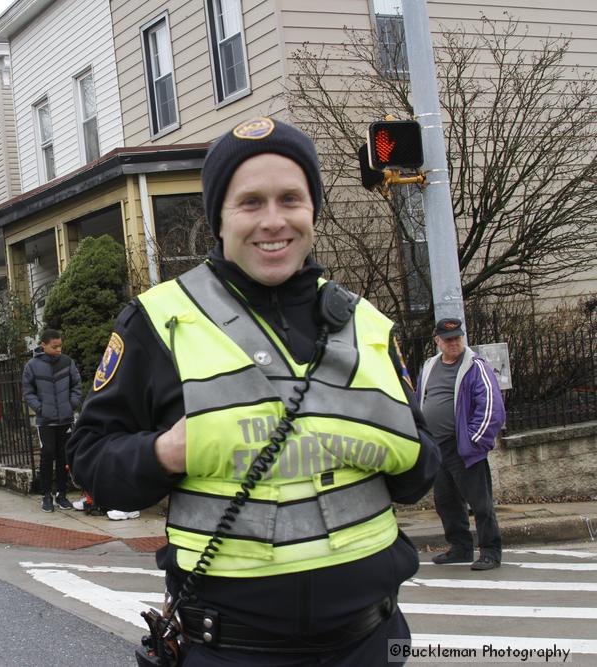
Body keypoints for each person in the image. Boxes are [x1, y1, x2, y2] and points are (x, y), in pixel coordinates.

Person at [67, 117, 441, 666]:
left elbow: (419, 474)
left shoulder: (367, 324)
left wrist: (394, 440)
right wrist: (164, 452)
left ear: (312, 211)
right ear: (218, 217)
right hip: (231, 650)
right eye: (250, 202)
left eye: (291, 199)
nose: (274, 221)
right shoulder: (159, 321)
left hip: (372, 642)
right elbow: (89, 459)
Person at [416, 318, 506, 571]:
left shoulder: (476, 367)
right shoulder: (430, 366)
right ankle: (461, 548)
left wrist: (474, 440)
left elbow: (491, 408)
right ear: (437, 341)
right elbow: (420, 399)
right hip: (437, 447)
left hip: (464, 448)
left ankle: (490, 551)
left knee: (481, 504)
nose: (454, 343)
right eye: (448, 339)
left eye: (457, 338)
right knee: (446, 502)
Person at [22, 329, 82, 512]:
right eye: (54, 346)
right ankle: (46, 495)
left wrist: (71, 404)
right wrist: (40, 408)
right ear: (44, 345)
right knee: (47, 456)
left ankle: (61, 495)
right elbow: (28, 391)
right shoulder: (32, 366)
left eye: (60, 346)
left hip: (65, 419)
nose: (59, 349)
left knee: (64, 456)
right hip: (45, 421)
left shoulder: (67, 362)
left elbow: (76, 385)